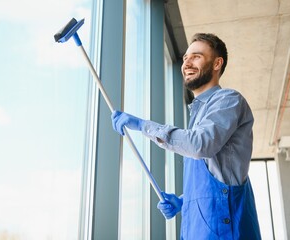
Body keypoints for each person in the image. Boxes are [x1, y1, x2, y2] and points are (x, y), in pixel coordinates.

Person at [111, 33, 261, 239]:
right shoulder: (198, 115)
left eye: (196, 56)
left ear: (217, 63)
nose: (187, 63)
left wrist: (142, 125)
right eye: (185, 58)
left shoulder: (228, 100)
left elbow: (200, 145)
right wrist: (184, 201)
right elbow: (219, 173)